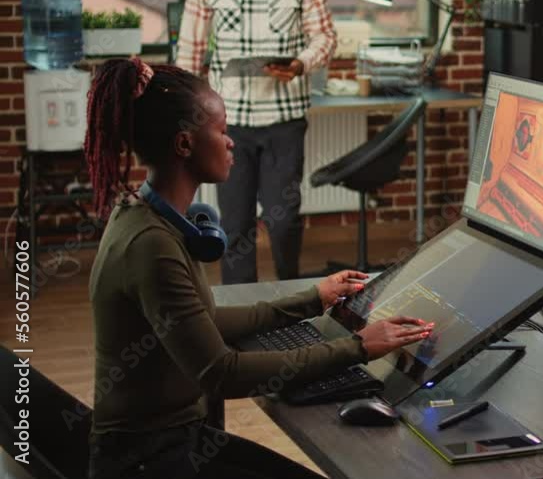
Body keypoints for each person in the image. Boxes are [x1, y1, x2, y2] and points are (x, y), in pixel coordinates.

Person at [84, 58, 433, 479]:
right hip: (147, 459)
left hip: (172, 440)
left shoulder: (144, 216)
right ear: (184, 145)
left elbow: (206, 321)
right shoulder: (152, 245)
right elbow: (221, 373)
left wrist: (313, 299)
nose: (232, 143)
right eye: (222, 131)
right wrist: (358, 347)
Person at [177, 0, 336, 284]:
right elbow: (189, 53)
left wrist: (300, 64)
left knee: (283, 221)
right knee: (235, 227)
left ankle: (293, 298)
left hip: (285, 122)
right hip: (227, 125)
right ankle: (239, 316)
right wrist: (188, 113)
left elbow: (325, 38)